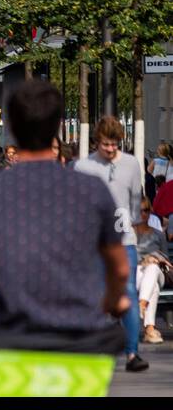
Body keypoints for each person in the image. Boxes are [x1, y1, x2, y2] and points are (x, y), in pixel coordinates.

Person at [0, 80, 131, 395]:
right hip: (84, 346)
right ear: (57, 126)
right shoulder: (92, 191)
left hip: (14, 347)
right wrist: (112, 299)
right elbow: (119, 268)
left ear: (11, 127)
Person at [76, 115, 148, 372]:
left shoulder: (131, 164)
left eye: (115, 144)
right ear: (97, 141)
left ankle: (132, 354)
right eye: (106, 144)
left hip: (124, 240)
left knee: (128, 292)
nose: (110, 149)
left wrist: (134, 230)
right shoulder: (83, 167)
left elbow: (135, 201)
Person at [133, 198, 171, 345]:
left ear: (150, 212)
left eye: (146, 210)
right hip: (137, 272)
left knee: (153, 269)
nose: (143, 214)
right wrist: (143, 260)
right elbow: (125, 255)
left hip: (157, 270)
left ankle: (140, 306)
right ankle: (149, 330)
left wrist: (153, 257)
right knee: (152, 287)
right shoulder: (130, 234)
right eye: (139, 211)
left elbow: (166, 256)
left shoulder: (158, 234)